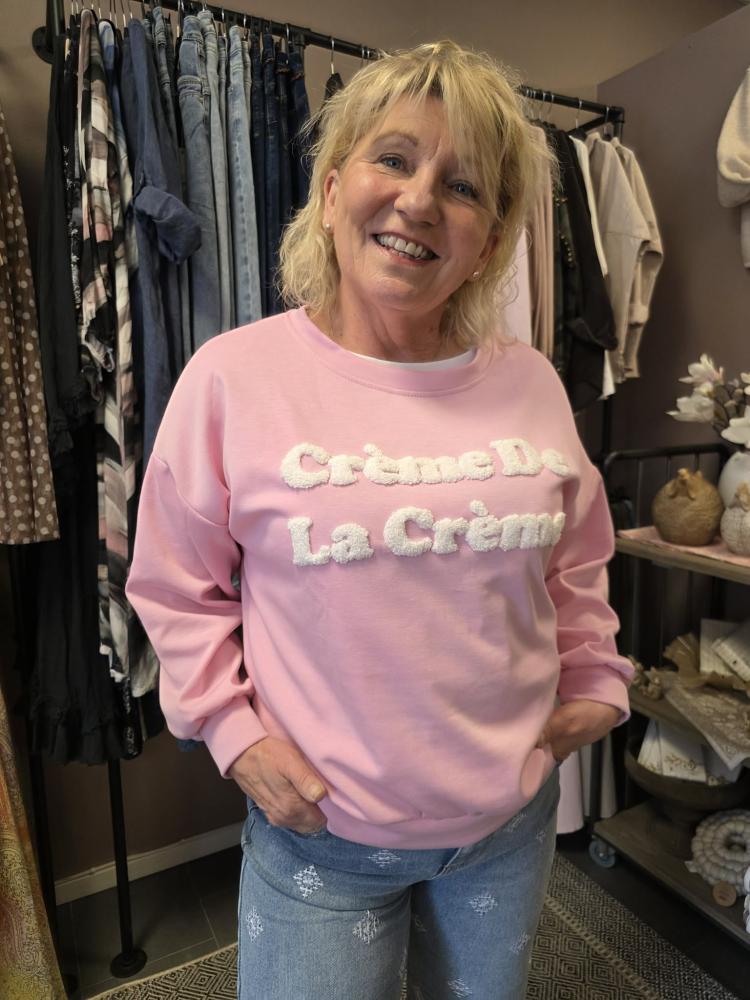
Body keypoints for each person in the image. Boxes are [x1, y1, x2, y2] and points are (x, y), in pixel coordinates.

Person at [126, 39, 633, 1000]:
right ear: (330, 191)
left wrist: (598, 675)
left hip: (506, 827)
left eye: (463, 186)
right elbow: (175, 587)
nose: (419, 200)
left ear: (491, 240)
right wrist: (232, 732)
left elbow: (574, 560)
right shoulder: (234, 377)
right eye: (393, 159)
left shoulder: (530, 382)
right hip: (322, 837)